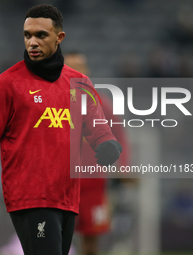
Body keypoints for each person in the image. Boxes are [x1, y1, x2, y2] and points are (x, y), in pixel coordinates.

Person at [0, 4, 122, 255]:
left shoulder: (80, 84)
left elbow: (98, 130)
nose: (32, 41)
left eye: (40, 35)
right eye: (27, 35)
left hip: (67, 199)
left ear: (59, 37)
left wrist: (109, 145)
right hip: (31, 199)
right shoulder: (6, 85)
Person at [64, 52, 131, 255]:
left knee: (92, 241)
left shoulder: (101, 104)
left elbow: (119, 137)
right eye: (70, 67)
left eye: (80, 67)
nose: (76, 72)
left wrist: (124, 168)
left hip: (93, 186)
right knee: (56, 239)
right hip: (61, 185)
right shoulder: (51, 102)